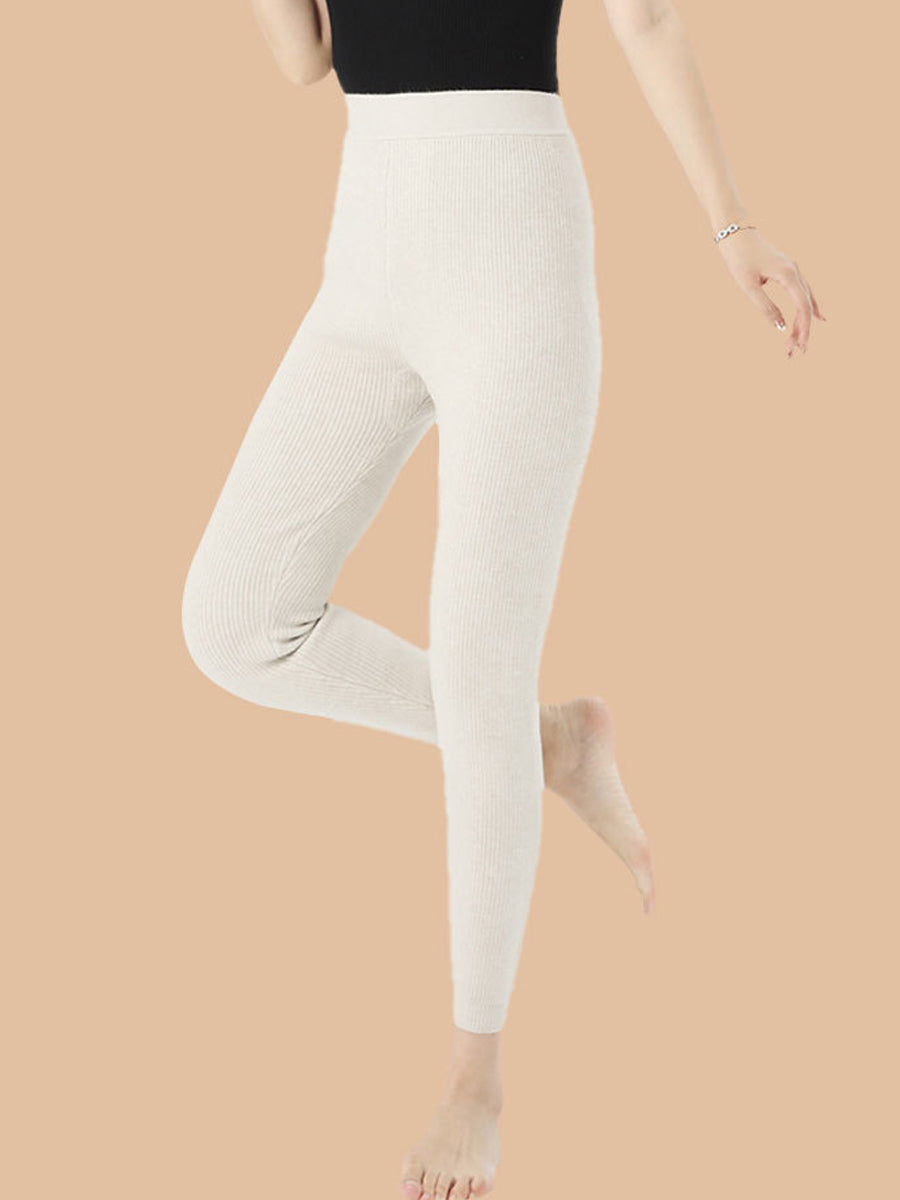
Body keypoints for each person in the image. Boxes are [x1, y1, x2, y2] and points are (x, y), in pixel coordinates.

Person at [181, 1, 824, 1197]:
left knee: (482, 660)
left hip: (514, 257)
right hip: (368, 254)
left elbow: (644, 17)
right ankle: (548, 742)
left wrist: (732, 224)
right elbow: (305, 58)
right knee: (233, 622)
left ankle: (474, 1078)